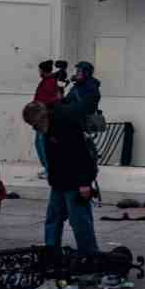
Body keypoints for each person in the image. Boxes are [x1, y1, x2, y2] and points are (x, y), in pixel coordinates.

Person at [39, 62, 101, 255]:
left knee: (79, 220)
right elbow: (54, 158)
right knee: (53, 218)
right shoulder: (50, 129)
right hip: (60, 180)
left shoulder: (91, 90)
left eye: (79, 71)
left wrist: (84, 183)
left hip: (75, 178)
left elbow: (82, 156)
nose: (77, 74)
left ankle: (89, 257)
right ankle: (51, 254)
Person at [32, 60, 62, 178]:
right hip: (41, 117)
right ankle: (47, 168)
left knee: (43, 144)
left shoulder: (50, 82)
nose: (39, 72)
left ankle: (50, 170)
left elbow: (51, 100)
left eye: (40, 70)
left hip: (46, 118)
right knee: (39, 143)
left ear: (43, 71)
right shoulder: (46, 81)